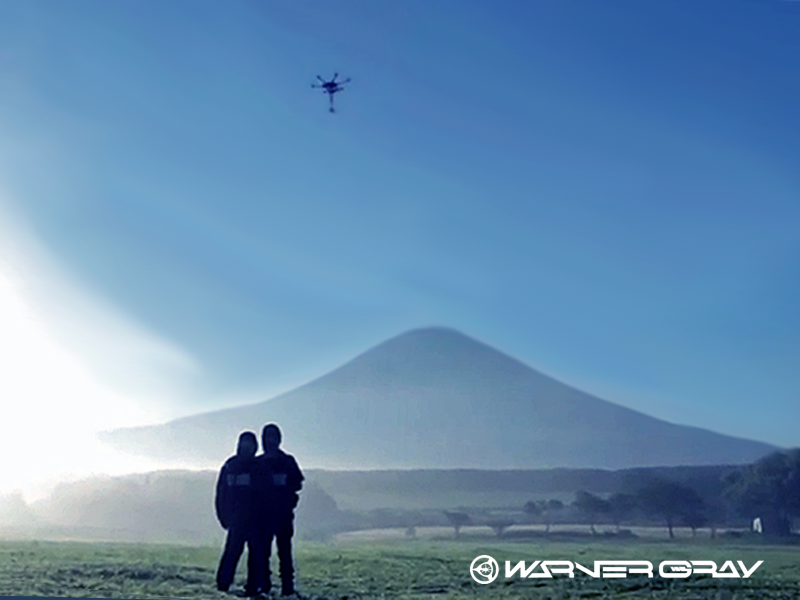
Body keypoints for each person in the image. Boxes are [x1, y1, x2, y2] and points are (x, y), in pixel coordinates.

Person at [256, 423, 304, 596]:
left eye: (272, 437)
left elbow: (297, 484)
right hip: (264, 515)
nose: (269, 441)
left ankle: (287, 586)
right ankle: (266, 585)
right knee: (264, 553)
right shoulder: (259, 463)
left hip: (282, 514)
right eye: (267, 437)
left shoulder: (287, 461)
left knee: (284, 553)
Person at [215, 431, 264, 595]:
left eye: (250, 444)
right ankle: (223, 584)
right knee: (232, 552)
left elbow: (266, 494)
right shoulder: (230, 466)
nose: (247, 447)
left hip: (256, 519)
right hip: (236, 519)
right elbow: (221, 493)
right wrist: (223, 516)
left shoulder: (259, 467)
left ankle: (253, 587)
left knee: (255, 555)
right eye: (245, 444)